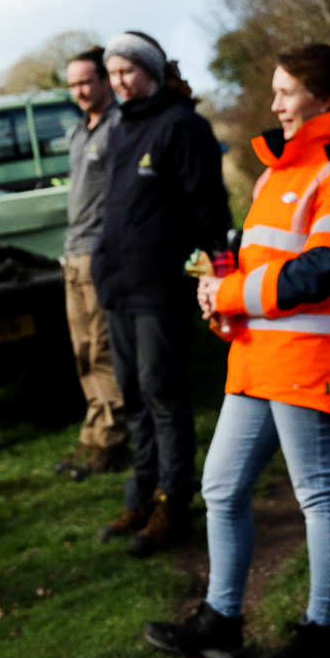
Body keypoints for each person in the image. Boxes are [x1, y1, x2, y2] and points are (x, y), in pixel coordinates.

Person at [143, 43, 330, 658]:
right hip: (256, 358)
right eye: (275, 90)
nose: (275, 102)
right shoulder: (277, 170)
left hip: (310, 357)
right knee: (220, 487)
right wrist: (216, 287)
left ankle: (324, 631)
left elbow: (322, 270)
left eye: (286, 91)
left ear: (323, 97)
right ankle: (222, 622)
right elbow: (258, 258)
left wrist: (229, 296)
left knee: (320, 496)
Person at [92, 31, 232, 557]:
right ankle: (142, 496)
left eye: (128, 70)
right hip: (118, 288)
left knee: (163, 398)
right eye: (114, 73)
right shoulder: (119, 127)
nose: (120, 82)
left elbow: (209, 215)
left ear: (151, 71)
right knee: (132, 398)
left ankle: (174, 508)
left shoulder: (183, 126)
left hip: (160, 290)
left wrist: (211, 277)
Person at [55, 45, 131, 481]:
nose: (80, 91)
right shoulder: (80, 132)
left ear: (104, 81)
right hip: (73, 253)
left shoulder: (120, 127)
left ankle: (111, 442)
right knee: (82, 350)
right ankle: (93, 438)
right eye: (73, 85)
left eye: (86, 82)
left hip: (101, 255)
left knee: (102, 351)